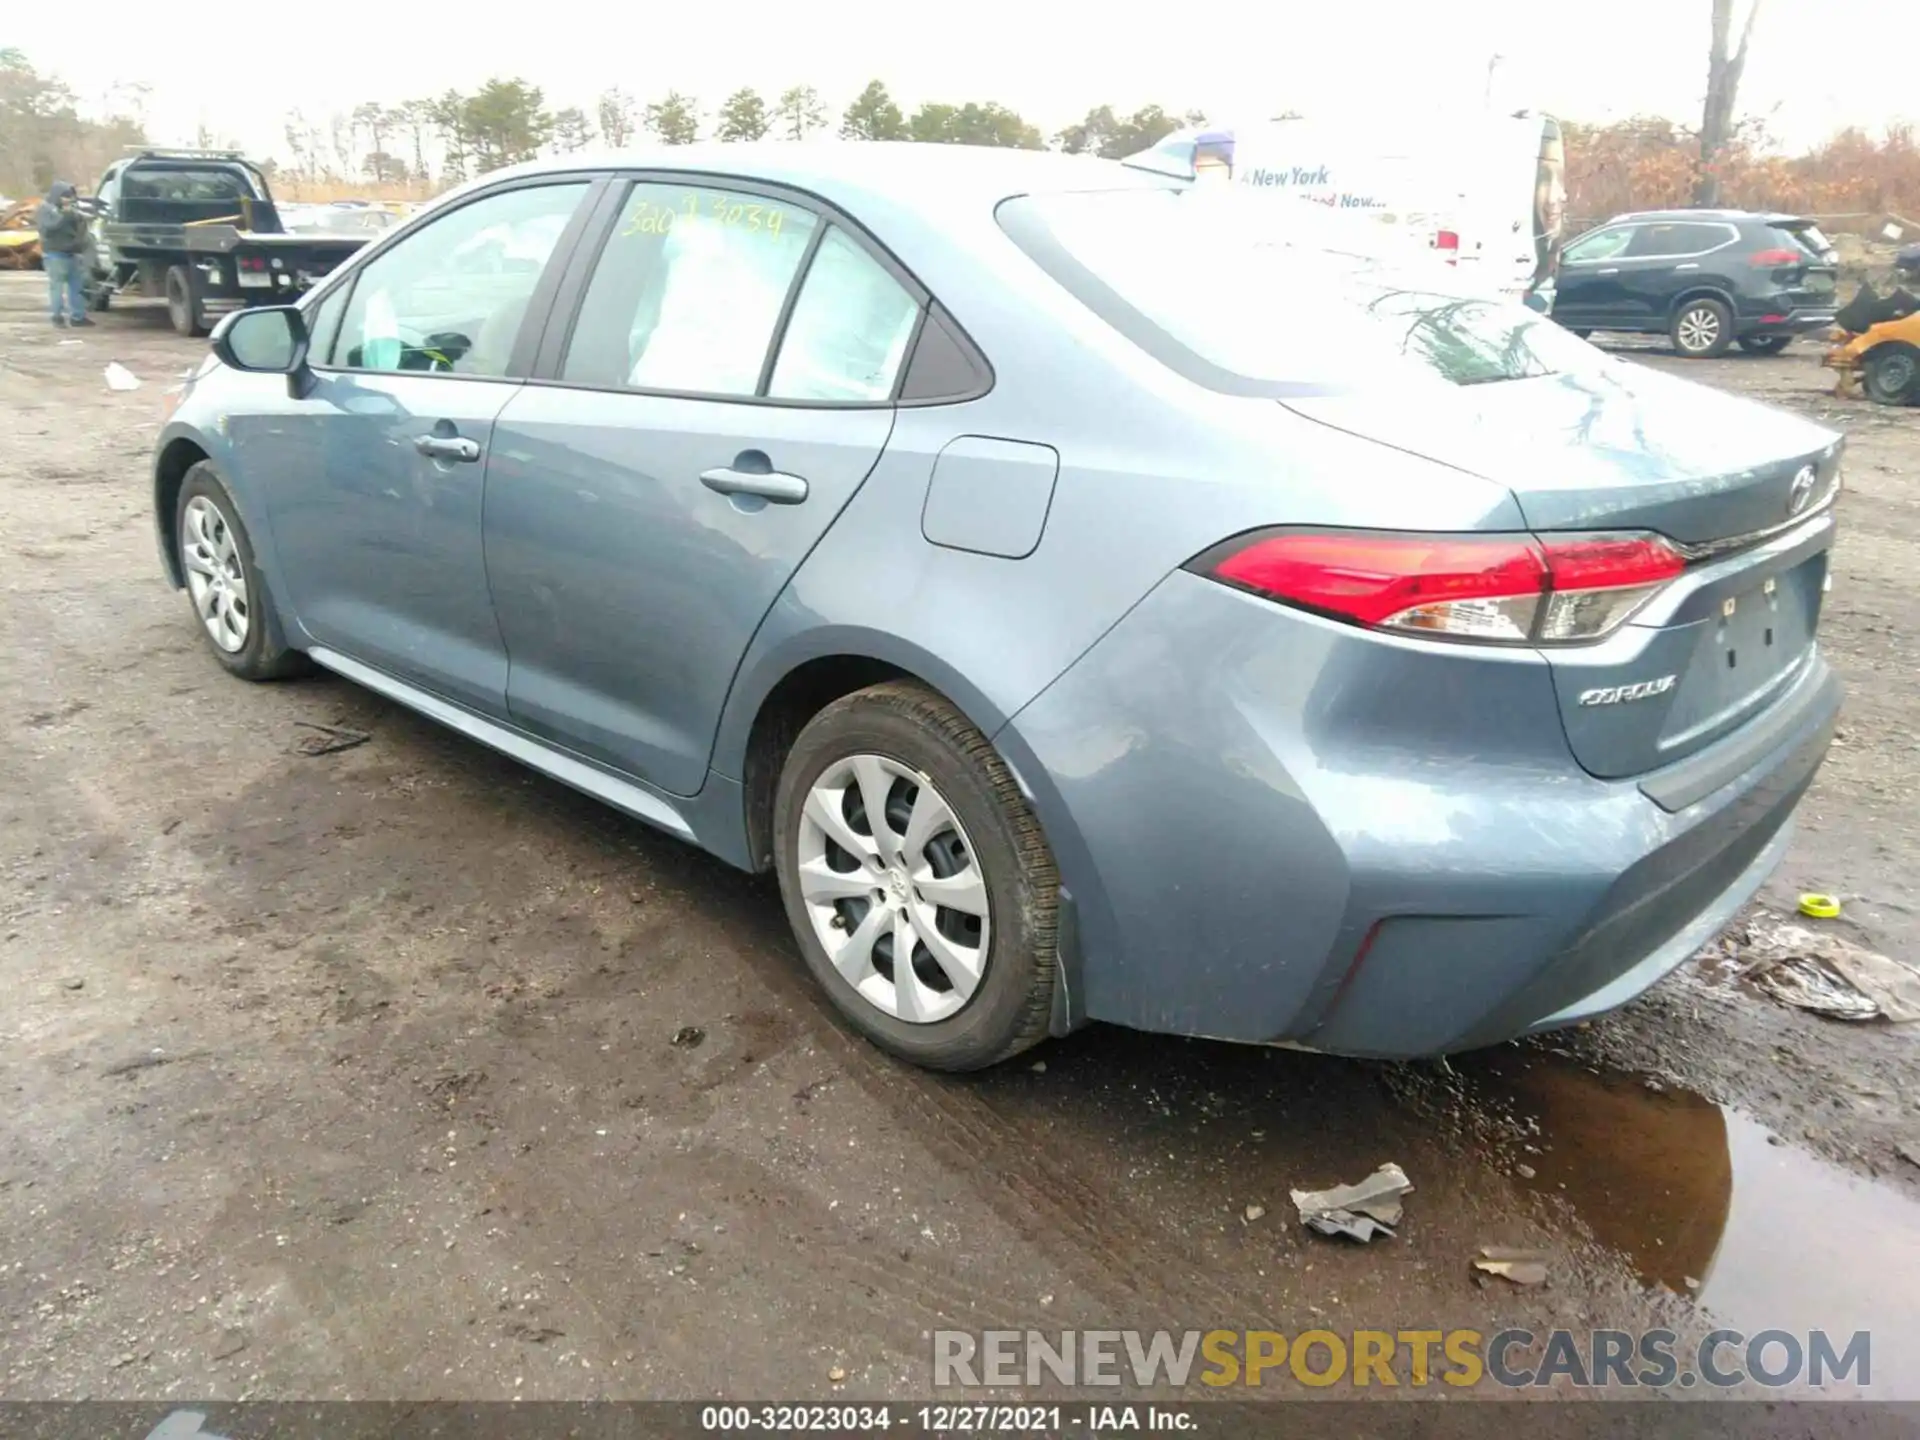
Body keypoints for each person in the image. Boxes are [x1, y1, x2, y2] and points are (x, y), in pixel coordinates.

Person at [34, 181, 94, 328]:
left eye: (70, 197)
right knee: (57, 287)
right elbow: (49, 229)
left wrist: (78, 217)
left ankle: (78, 317)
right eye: (65, 196)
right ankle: (57, 316)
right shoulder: (45, 209)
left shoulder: (70, 210)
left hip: (72, 253)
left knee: (77, 287)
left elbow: (78, 227)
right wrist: (65, 215)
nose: (68, 200)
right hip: (55, 254)